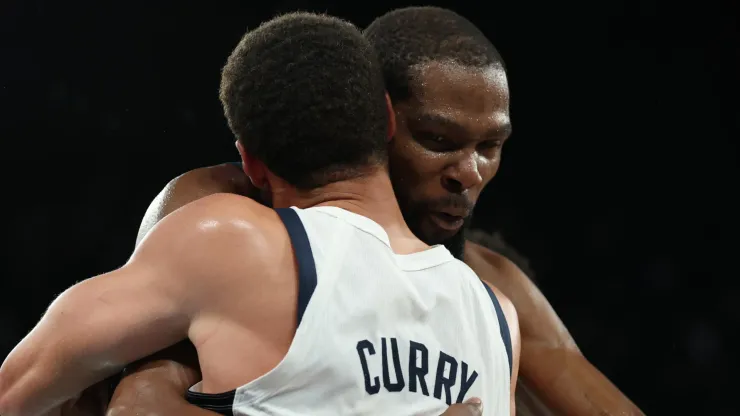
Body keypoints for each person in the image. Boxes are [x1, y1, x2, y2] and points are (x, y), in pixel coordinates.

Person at [107, 6, 644, 416]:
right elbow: (136, 404)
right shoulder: (227, 213)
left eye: (490, 147)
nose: (470, 172)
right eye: (438, 139)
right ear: (376, 117)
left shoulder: (488, 287)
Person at [0, 12, 520, 416]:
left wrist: (143, 390)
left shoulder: (232, 237)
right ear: (387, 120)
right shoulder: (499, 320)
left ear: (249, 160)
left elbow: (14, 390)